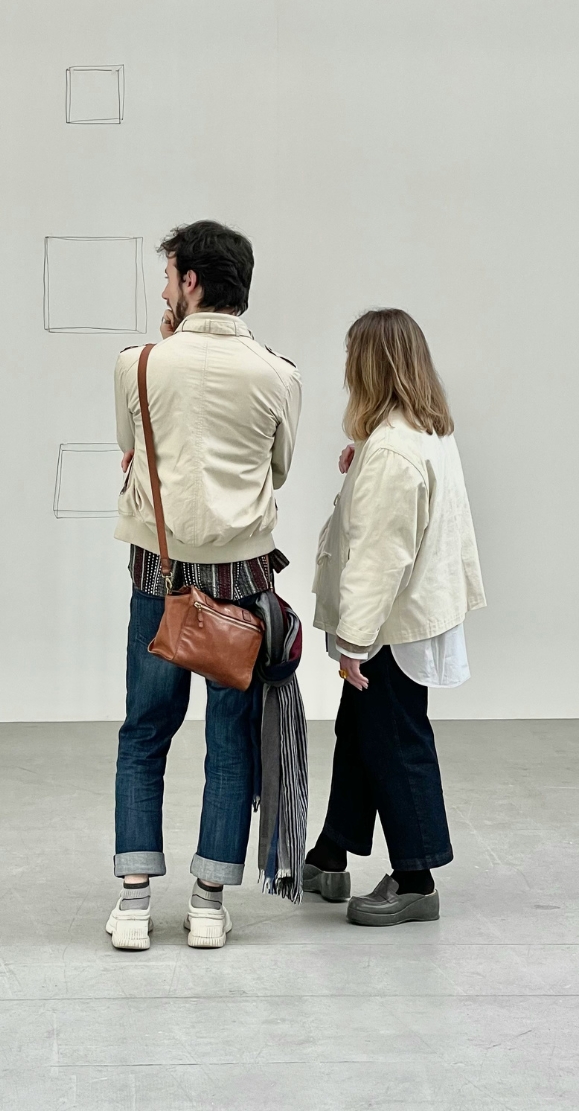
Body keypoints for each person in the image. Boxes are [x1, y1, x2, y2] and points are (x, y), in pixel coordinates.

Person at [106, 220, 301, 950]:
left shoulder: (139, 363)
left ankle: (133, 904)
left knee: (143, 733)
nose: (163, 287)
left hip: (160, 580)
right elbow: (277, 470)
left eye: (167, 276)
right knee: (230, 743)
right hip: (242, 589)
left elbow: (130, 450)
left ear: (190, 282)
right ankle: (210, 904)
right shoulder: (281, 375)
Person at [305, 308, 485, 925]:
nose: (346, 371)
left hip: (390, 629)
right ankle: (329, 854)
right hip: (416, 617)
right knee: (360, 735)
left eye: (353, 358)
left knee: (394, 742)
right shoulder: (422, 432)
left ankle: (416, 877)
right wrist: (361, 463)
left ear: (372, 367)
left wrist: (352, 641)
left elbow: (380, 558)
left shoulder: (392, 454)